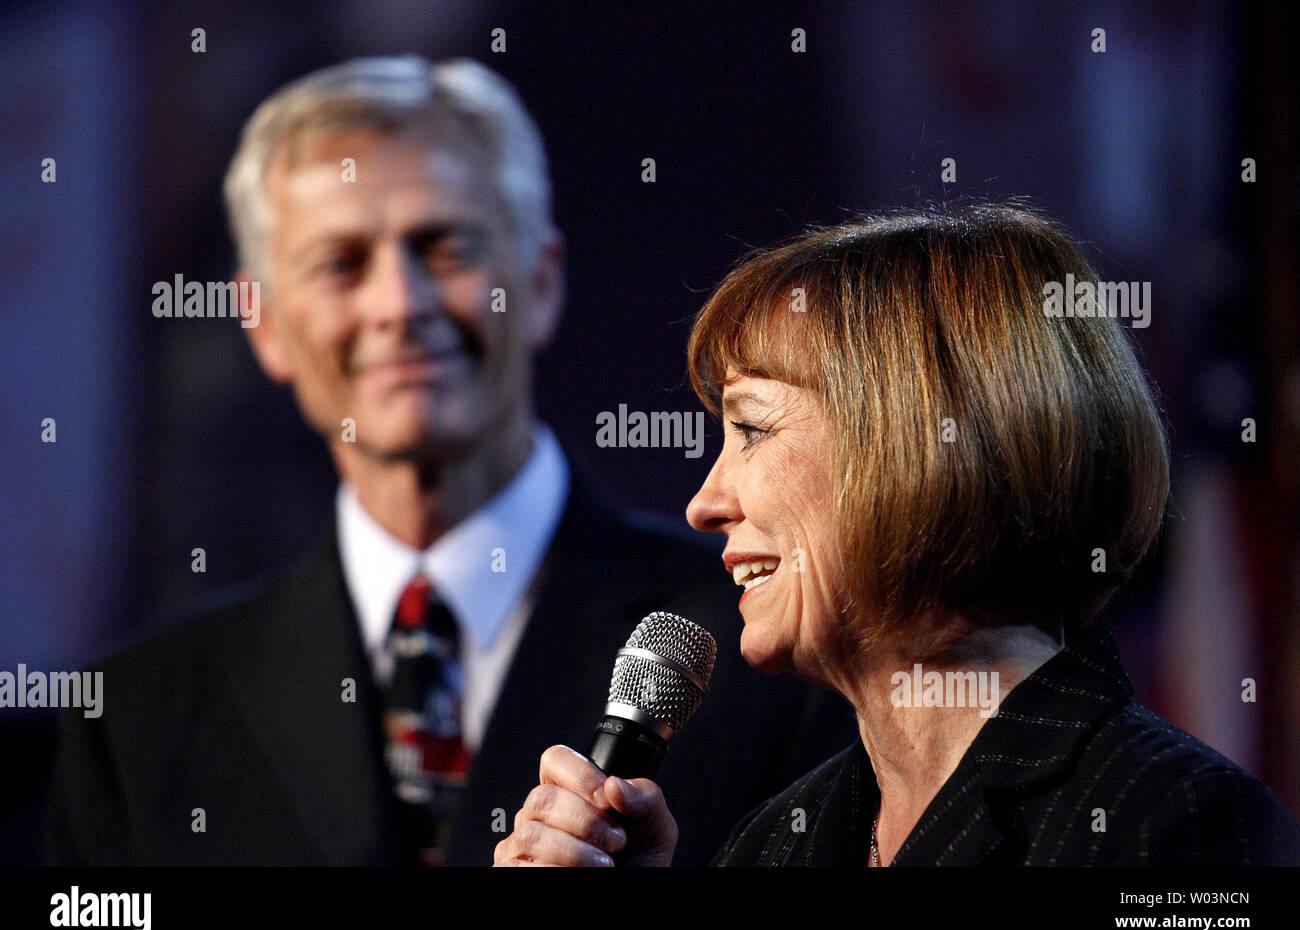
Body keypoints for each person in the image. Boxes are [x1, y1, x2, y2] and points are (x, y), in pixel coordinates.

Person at [42, 56, 855, 866]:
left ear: (539, 281)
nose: (398, 304)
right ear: (262, 324)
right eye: (341, 264)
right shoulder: (135, 719)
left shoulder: (774, 648)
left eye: (444, 248)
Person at [494, 203, 1300, 866]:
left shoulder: (1178, 827)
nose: (705, 504)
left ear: (915, 447)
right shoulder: (776, 844)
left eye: (752, 430)